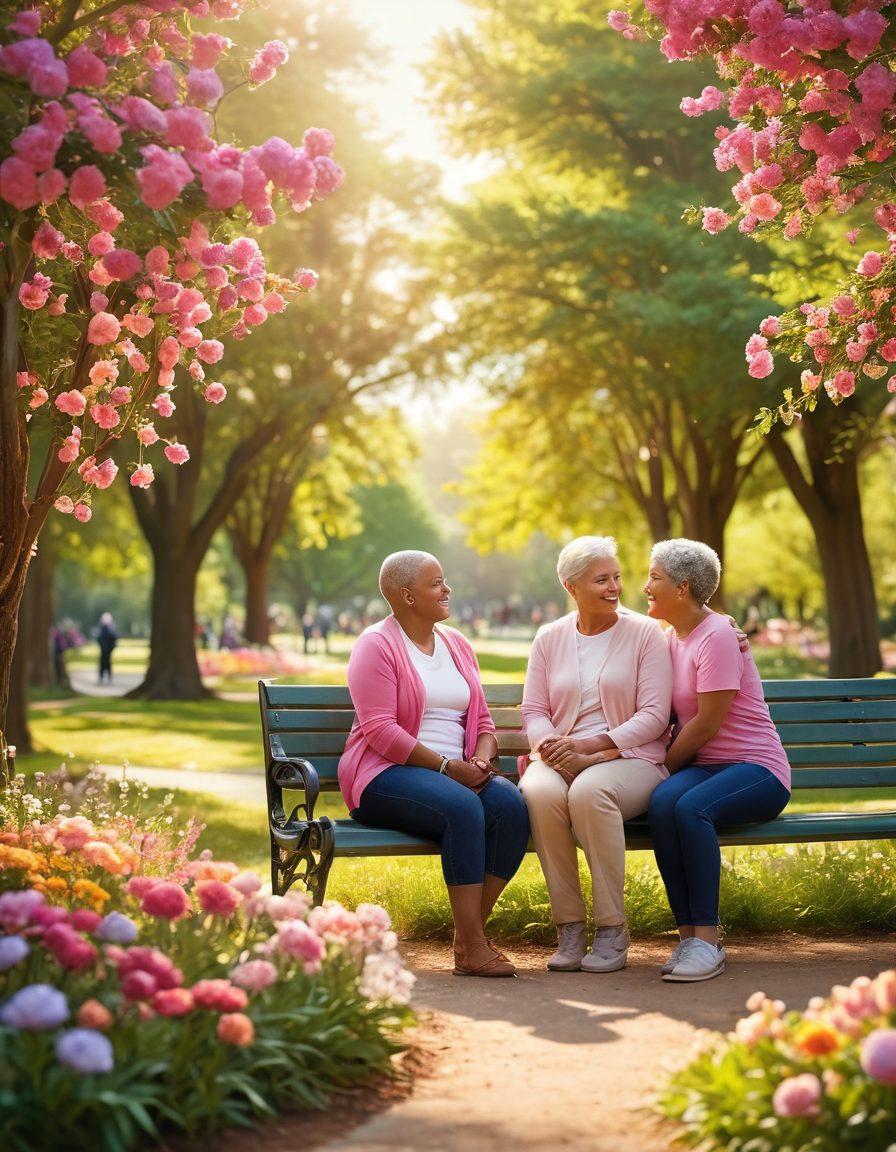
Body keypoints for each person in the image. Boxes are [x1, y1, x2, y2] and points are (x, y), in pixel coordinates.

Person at [338, 550, 531, 977]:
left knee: (512, 808)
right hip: (383, 773)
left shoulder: (456, 644)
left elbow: (480, 718)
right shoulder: (376, 645)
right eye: (436, 583)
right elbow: (381, 732)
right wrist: (447, 768)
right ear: (406, 595)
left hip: (457, 771)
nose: (448, 590)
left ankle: (467, 939)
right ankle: (475, 945)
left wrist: (480, 760)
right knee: (461, 808)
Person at [519, 536, 672, 974]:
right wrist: (550, 747)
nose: (614, 587)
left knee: (589, 793)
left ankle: (612, 927)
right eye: (601, 579)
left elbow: (655, 715)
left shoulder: (645, 633)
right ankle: (568, 926)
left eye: (617, 577)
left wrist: (590, 747)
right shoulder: (549, 637)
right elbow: (534, 709)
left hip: (631, 758)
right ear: (571, 587)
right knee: (539, 794)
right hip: (559, 755)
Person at [644, 539, 791, 983]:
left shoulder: (719, 636)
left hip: (756, 768)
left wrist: (662, 765)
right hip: (706, 768)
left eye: (655, 578)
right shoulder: (671, 637)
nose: (645, 586)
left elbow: (707, 724)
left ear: (683, 587)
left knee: (691, 807)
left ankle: (707, 941)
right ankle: (689, 936)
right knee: (661, 804)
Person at [96, 612, 118, 684]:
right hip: (104, 649)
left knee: (106, 663)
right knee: (104, 663)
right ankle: (103, 677)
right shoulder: (104, 628)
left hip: (108, 650)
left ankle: (106, 677)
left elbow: (114, 638)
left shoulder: (109, 628)